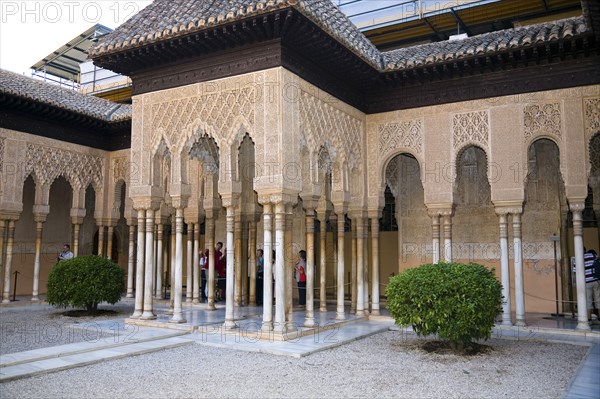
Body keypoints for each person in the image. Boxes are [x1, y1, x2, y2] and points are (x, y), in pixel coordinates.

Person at [584, 249, 600, 323]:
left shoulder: (578, 258)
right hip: (596, 281)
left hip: (587, 282)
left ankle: (589, 319)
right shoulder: (594, 256)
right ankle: (599, 317)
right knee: (598, 299)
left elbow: (575, 273)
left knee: (588, 301)